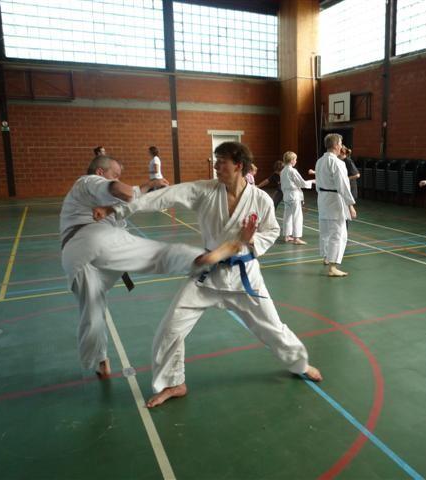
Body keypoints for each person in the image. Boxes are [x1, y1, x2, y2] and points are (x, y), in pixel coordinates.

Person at [94, 142, 322, 408]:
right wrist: (116, 209)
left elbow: (271, 231)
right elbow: (162, 197)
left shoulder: (260, 199)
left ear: (238, 165)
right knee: (170, 330)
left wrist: (250, 242)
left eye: (221, 161)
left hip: (243, 277)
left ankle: (299, 363)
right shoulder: (204, 190)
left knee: (272, 327)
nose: (216, 166)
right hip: (207, 277)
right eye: (216, 161)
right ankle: (173, 382)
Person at [60, 155, 237, 379]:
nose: (117, 177)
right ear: (100, 172)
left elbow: (127, 204)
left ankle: (99, 362)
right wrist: (143, 186)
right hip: (93, 239)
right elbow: (120, 190)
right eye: (115, 173)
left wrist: (147, 190)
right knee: (156, 254)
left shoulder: (82, 197)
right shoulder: (88, 182)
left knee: (92, 313)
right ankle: (201, 259)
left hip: (74, 259)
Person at [315, 133, 357, 277]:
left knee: (326, 231)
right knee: (339, 234)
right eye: (340, 143)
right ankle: (333, 267)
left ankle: (327, 257)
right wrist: (350, 204)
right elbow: (343, 186)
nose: (341, 146)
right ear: (335, 145)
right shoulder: (337, 162)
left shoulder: (320, 161)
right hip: (334, 200)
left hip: (323, 198)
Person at [280, 151, 315, 244]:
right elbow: (301, 183)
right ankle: (296, 238)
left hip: (286, 195)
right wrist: (312, 181)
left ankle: (287, 236)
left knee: (287, 216)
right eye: (295, 159)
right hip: (294, 195)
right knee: (297, 216)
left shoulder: (283, 171)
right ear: (291, 160)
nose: (296, 161)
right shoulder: (292, 171)